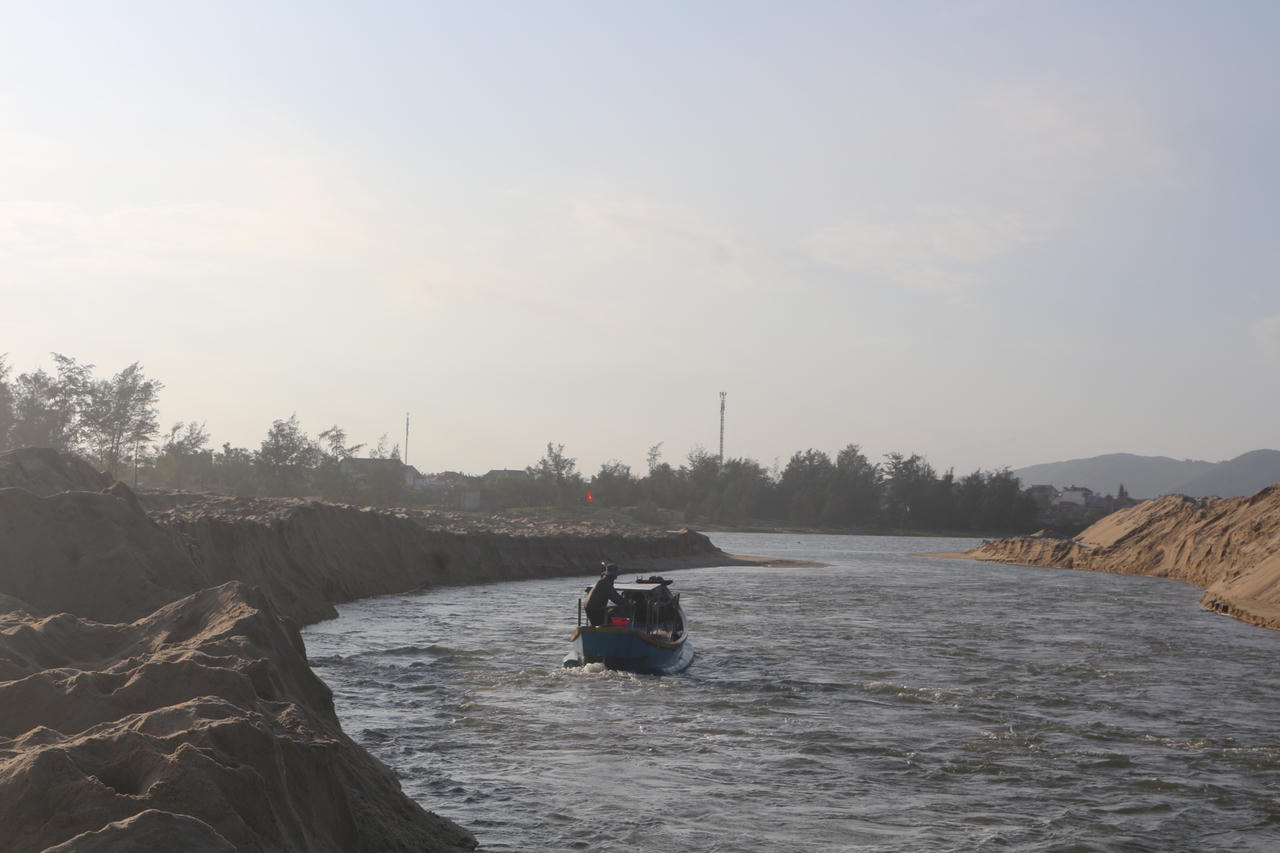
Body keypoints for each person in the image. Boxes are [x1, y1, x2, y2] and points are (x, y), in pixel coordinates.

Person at [583, 562, 625, 627]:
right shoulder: (606, 583)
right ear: (613, 576)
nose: (616, 577)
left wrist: (624, 601)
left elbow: (615, 594)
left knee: (611, 612)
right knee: (616, 615)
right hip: (594, 610)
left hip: (590, 608)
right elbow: (615, 598)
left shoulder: (604, 581)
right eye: (615, 575)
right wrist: (627, 603)